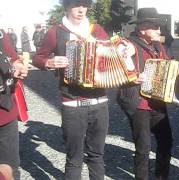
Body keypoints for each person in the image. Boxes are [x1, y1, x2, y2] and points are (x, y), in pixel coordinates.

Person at [32, 0, 131, 179]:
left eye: (84, 5)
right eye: (76, 5)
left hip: (100, 101)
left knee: (97, 156)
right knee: (74, 158)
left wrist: (125, 48)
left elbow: (112, 50)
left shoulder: (96, 29)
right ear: (67, 7)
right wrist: (49, 62)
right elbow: (37, 58)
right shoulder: (56, 32)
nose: (81, 10)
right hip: (72, 102)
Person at [117, 7, 173, 180]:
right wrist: (132, 77)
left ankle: (161, 177)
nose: (159, 30)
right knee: (143, 148)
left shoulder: (160, 47)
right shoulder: (127, 45)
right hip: (139, 104)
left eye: (159, 26)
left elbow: (170, 68)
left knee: (166, 141)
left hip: (158, 102)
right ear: (142, 28)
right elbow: (116, 72)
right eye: (155, 26)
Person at [0, 30, 28, 180]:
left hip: (5, 110)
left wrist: (18, 66)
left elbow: (13, 58)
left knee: (12, 167)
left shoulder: (1, 33)